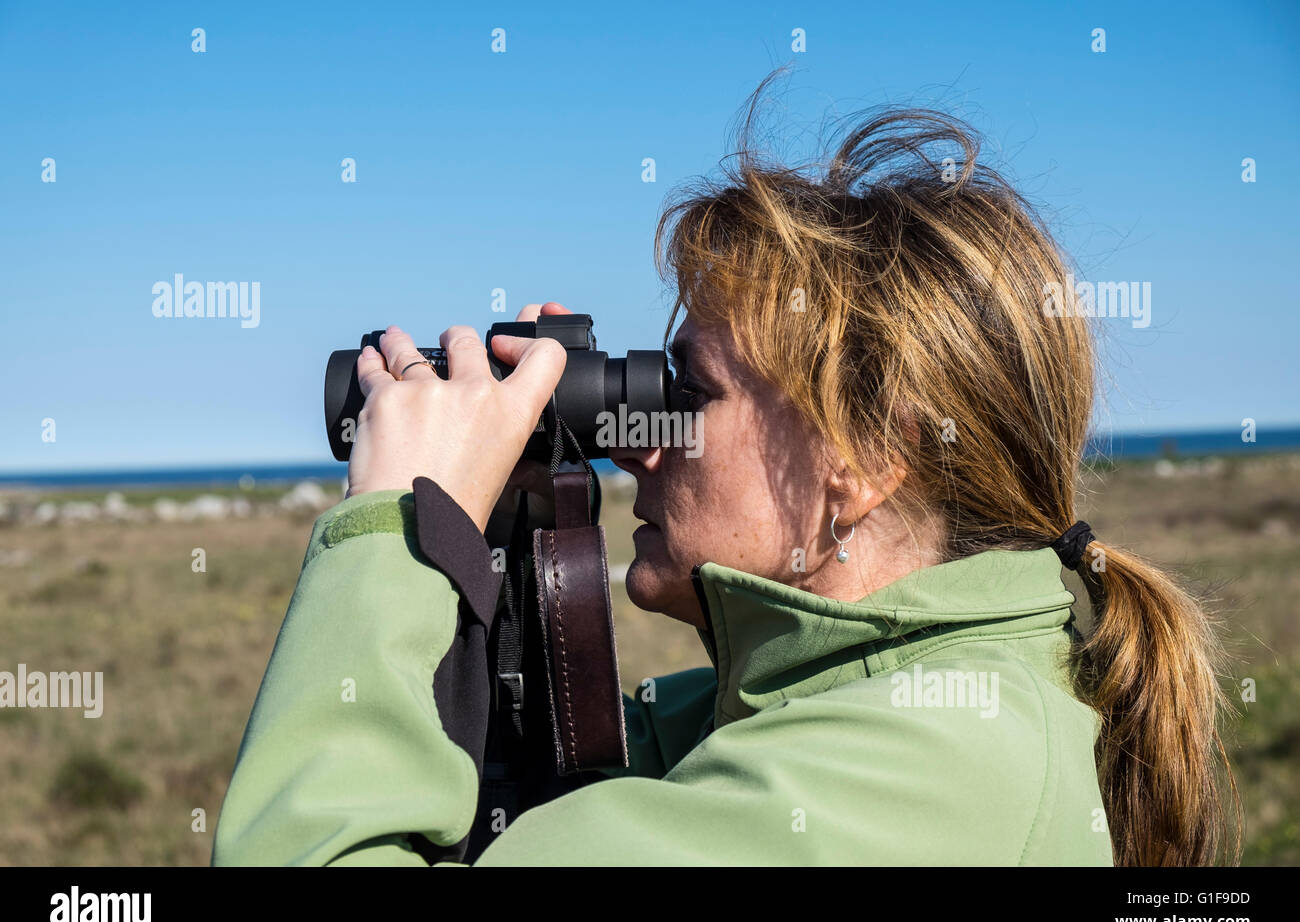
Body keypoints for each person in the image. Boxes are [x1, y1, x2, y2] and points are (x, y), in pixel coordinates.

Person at [211, 83, 1239, 867]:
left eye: (687, 390)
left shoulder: (910, 773)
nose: (635, 440)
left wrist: (398, 535)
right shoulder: (825, 710)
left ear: (865, 460)